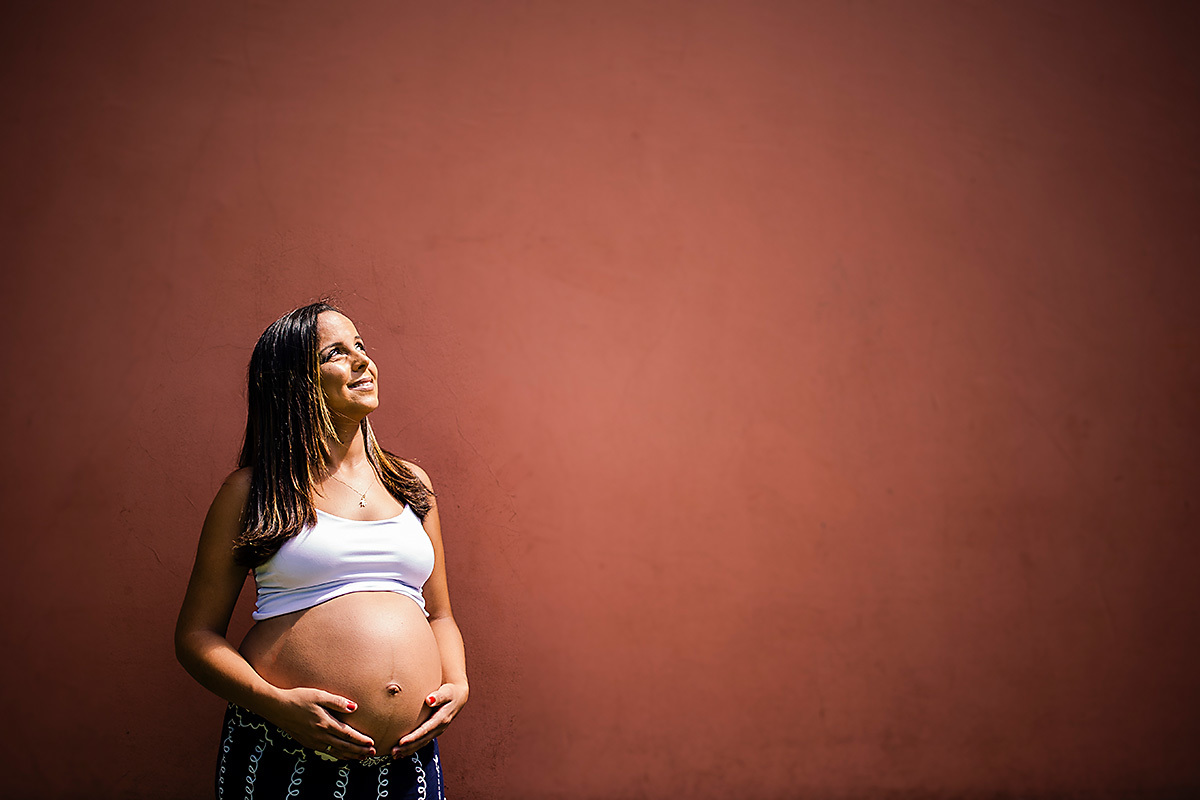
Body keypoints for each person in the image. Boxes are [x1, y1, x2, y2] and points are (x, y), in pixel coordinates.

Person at [176, 301, 468, 799]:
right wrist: (274, 703)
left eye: (361, 346)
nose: (362, 361)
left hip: (404, 763)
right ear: (294, 382)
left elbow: (439, 614)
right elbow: (196, 635)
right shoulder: (255, 491)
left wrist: (457, 683)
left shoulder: (412, 486)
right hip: (286, 753)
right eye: (336, 352)